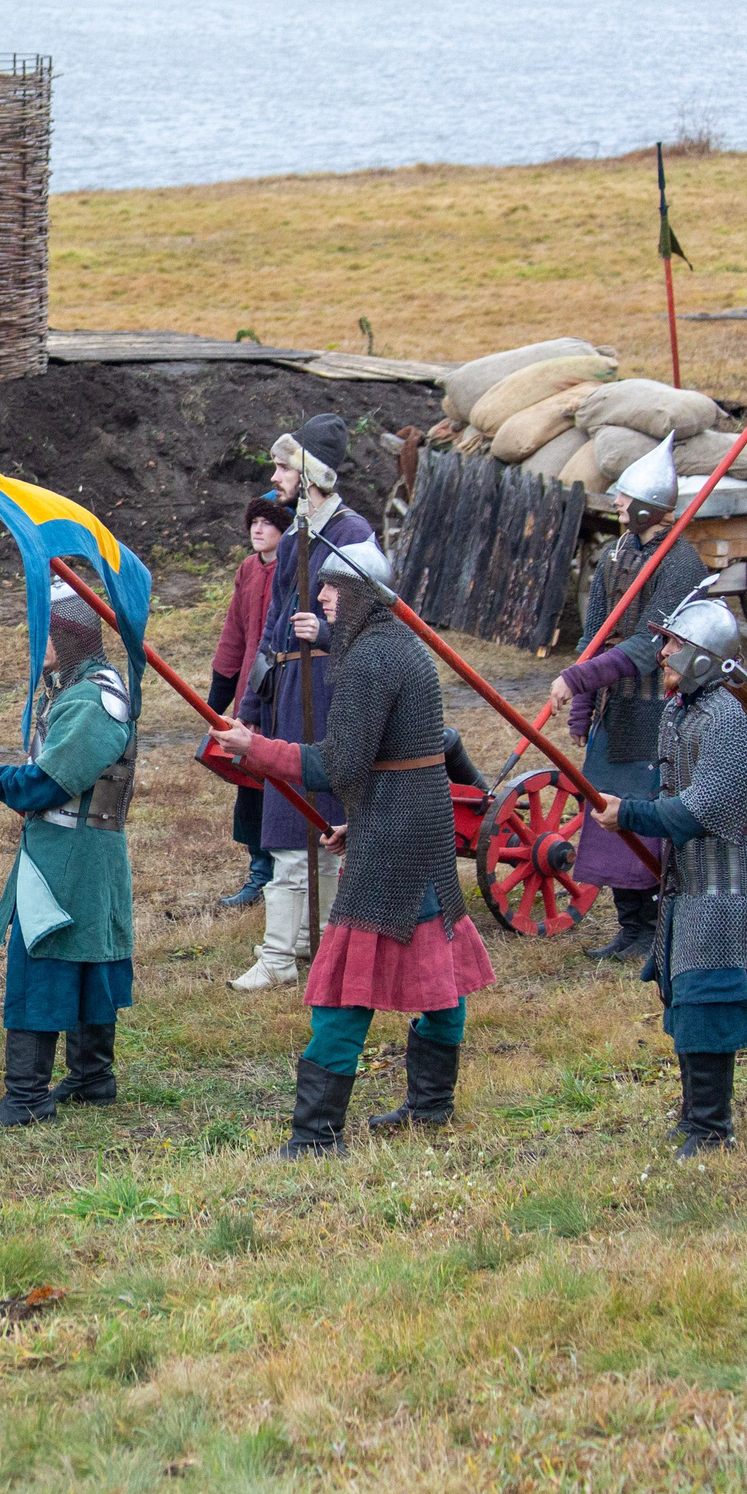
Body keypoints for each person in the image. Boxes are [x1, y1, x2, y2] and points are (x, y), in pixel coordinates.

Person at [213, 540, 496, 1156]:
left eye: (336, 586)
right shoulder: (401, 647)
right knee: (441, 975)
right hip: (413, 825)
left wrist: (255, 748)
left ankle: (316, 1134)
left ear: (367, 592)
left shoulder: (371, 658)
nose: (323, 597)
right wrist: (363, 822)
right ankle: (430, 1105)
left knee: (343, 987)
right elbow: (400, 757)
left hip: (397, 837)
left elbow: (340, 762)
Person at [592, 596, 747, 1158]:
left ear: (702, 656)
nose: (663, 653)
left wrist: (628, 814)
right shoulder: (683, 710)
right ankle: (693, 1114)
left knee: (710, 1001)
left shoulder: (734, 718)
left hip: (729, 879)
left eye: (673, 643)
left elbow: (701, 813)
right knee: (684, 995)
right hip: (690, 877)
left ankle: (712, 1128)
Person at [0, 578, 137, 1126]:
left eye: (47, 636)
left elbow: (49, 783)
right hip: (77, 847)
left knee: (43, 958)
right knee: (83, 957)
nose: (39, 648)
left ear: (71, 634)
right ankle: (89, 1079)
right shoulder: (79, 688)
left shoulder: (93, 698)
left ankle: (29, 1096)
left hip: (72, 851)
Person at [546, 433, 705, 965]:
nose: (614, 504)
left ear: (647, 508)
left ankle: (657, 925)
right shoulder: (615, 553)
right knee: (608, 811)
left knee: (646, 815)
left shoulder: (680, 561)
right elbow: (595, 634)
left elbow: (649, 644)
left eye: (622, 498)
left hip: (657, 705)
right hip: (615, 705)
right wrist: (586, 703)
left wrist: (579, 678)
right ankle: (630, 927)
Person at [232, 414, 368, 991]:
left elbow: (379, 615)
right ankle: (286, 954)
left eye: (286, 465)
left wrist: (329, 634)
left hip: (330, 691)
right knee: (288, 821)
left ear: (310, 472)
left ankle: (302, 951)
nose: (277, 474)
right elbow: (273, 625)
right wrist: (253, 703)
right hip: (290, 693)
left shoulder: (352, 532)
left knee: (323, 825)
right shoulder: (294, 534)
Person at [209, 494, 289, 907]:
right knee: (251, 782)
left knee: (282, 773)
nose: (258, 530)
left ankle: (286, 870)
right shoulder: (247, 569)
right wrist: (218, 697)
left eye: (268, 522)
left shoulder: (294, 569)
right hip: (248, 695)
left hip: (284, 693)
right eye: (254, 521)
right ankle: (259, 872)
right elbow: (234, 637)